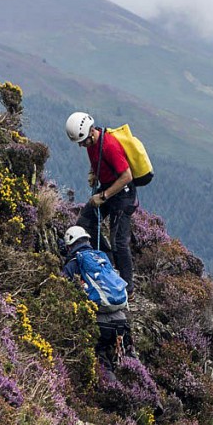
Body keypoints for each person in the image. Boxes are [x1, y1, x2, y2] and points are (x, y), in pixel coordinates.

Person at [65, 111, 136, 292]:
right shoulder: (92, 144)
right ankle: (107, 260)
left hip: (123, 195)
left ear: (90, 133)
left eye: (82, 141)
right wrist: (93, 174)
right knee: (85, 222)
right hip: (107, 187)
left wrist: (103, 196)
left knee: (119, 241)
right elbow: (96, 161)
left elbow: (127, 176)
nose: (81, 146)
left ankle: (127, 287)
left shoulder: (109, 145)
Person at [61, 225, 133, 368]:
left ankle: (112, 388)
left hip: (100, 322)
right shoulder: (101, 258)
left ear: (69, 246)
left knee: (102, 362)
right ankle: (139, 386)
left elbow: (61, 290)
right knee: (128, 361)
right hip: (121, 319)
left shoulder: (73, 264)